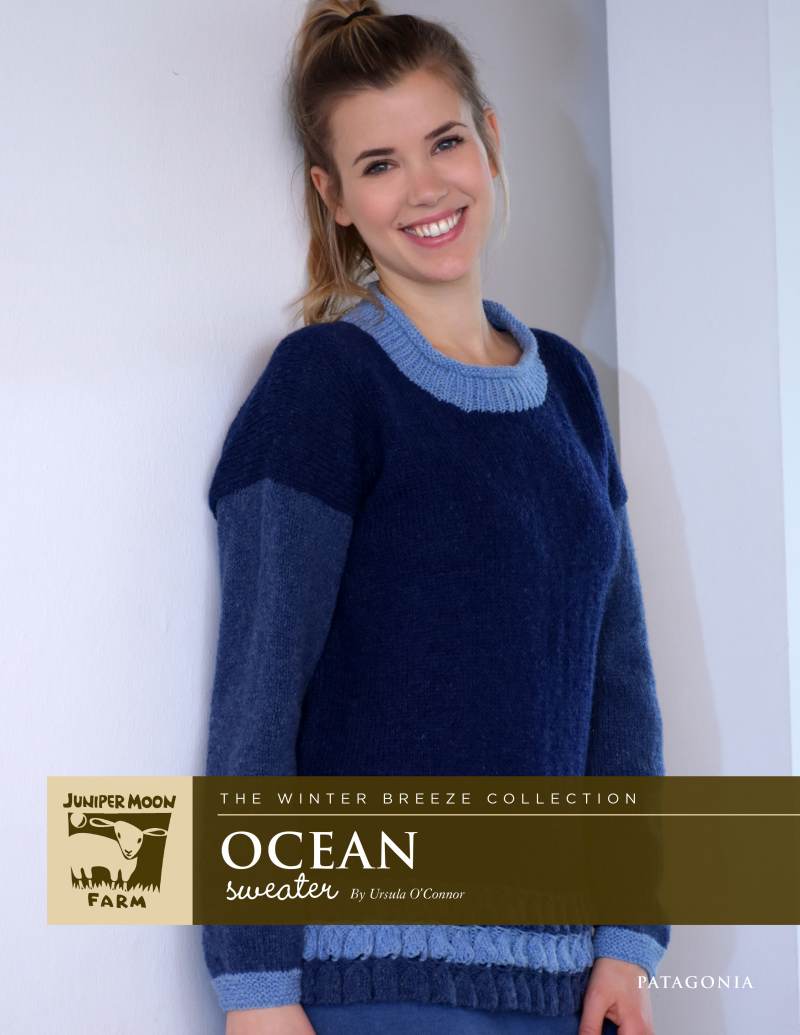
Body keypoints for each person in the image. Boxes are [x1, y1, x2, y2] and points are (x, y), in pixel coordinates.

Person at [201, 2, 669, 1033]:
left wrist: (628, 938)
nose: (424, 187)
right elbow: (258, 699)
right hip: (379, 982)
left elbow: (618, 685)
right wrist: (256, 987)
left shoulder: (570, 392)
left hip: (563, 984)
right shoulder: (325, 386)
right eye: (378, 164)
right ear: (332, 197)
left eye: (444, 141)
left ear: (489, 139)